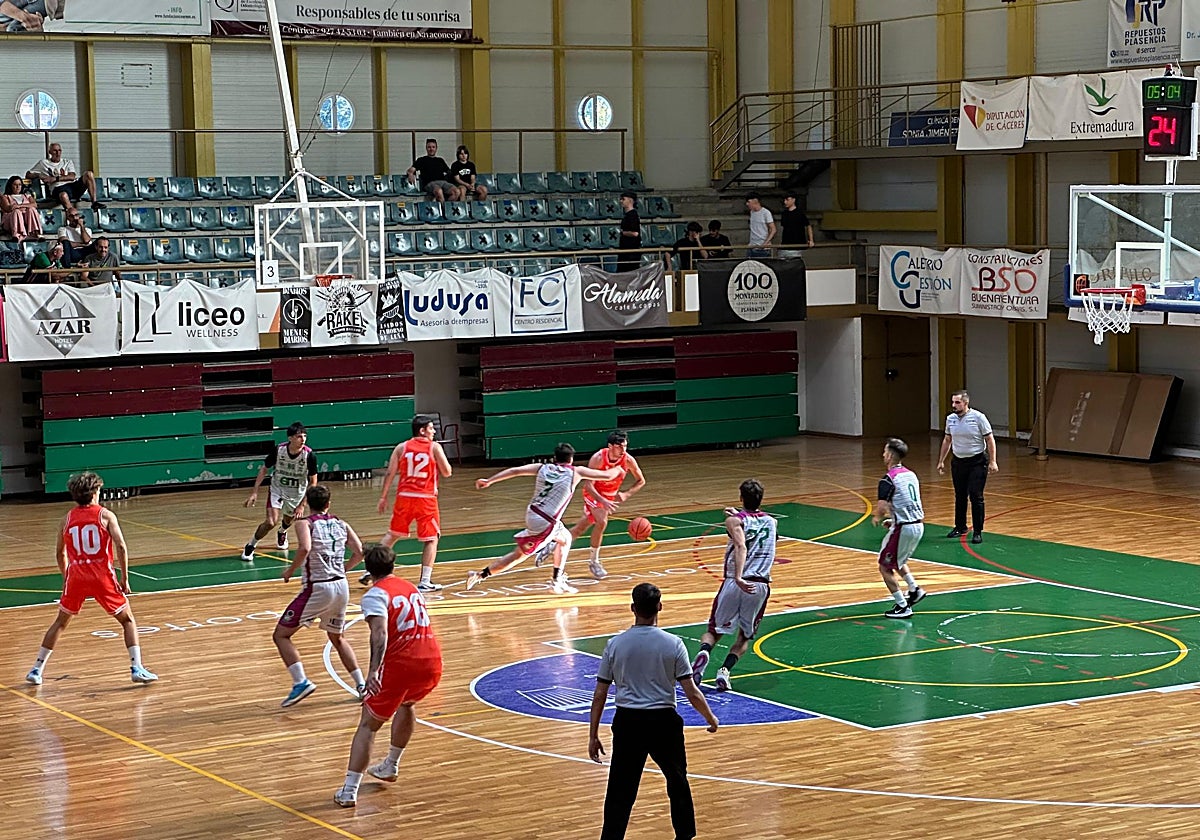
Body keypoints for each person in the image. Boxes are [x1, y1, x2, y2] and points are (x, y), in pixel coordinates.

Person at [588, 583, 719, 840]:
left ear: (633, 608)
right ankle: (684, 836)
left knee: (620, 789)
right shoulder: (673, 644)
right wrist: (710, 717)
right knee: (677, 781)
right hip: (663, 723)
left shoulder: (615, 645)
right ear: (659, 606)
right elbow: (691, 691)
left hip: (628, 723)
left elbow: (600, 693)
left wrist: (593, 735)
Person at [25, 471, 158, 686]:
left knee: (60, 622)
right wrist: (125, 578)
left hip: (76, 576)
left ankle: (36, 669)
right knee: (127, 620)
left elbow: (60, 553)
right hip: (101, 576)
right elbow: (121, 546)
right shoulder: (105, 515)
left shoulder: (66, 519)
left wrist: (67, 575)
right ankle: (137, 667)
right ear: (95, 493)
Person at [334, 545, 443, 808]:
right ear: (393, 565)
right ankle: (390, 765)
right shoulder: (411, 587)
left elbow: (380, 634)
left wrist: (373, 671)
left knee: (368, 725)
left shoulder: (374, 595)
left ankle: (349, 791)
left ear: (368, 570)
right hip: (431, 659)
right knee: (407, 704)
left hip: (401, 665)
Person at [466, 443, 622, 595]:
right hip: (546, 522)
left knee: (566, 538)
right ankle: (481, 575)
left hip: (534, 513)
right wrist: (619, 467)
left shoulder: (542, 467)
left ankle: (557, 579)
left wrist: (490, 480)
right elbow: (607, 476)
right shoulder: (576, 472)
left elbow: (515, 471)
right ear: (571, 459)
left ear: (554, 457)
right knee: (519, 555)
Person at [274, 484, 366, 708]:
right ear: (328, 504)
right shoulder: (341, 524)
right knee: (337, 638)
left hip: (318, 587)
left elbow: (305, 548)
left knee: (281, 635)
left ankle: (301, 681)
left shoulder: (304, 523)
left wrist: (290, 570)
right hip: (341, 586)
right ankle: (362, 685)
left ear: (307, 502)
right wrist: (344, 569)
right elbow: (360, 551)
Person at [690, 478, 775, 692]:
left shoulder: (734, 522)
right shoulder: (772, 522)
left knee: (714, 631)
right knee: (745, 636)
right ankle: (724, 671)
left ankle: (705, 653)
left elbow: (740, 545)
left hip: (734, 582)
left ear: (740, 498)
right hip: (759, 586)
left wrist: (738, 577)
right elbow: (756, 529)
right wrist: (739, 515)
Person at [369, 414, 453, 593]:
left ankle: (371, 570)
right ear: (422, 430)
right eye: (431, 428)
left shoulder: (401, 447)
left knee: (392, 534)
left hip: (404, 497)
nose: (434, 431)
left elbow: (390, 473)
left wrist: (383, 497)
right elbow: (447, 472)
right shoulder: (434, 447)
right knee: (431, 539)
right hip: (425, 498)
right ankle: (425, 581)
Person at [568, 430, 646, 580]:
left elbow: (641, 480)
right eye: (619, 447)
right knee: (602, 522)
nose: (623, 450)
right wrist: (602, 500)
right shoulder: (598, 458)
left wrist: (626, 493)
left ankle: (553, 544)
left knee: (580, 528)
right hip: (593, 493)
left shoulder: (628, 460)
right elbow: (588, 485)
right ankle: (594, 562)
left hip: (608, 497)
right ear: (610, 446)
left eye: (625, 446)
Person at [241, 422, 318, 561]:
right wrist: (255, 492)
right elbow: (264, 469)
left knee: (288, 520)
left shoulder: (309, 455)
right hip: (278, 488)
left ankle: (282, 532)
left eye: (304, 436)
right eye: (299, 436)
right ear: (290, 438)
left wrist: (302, 505)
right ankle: (251, 545)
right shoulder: (279, 450)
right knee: (270, 522)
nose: (303, 439)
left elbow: (313, 482)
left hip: (297, 492)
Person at [871, 438, 927, 619]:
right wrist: (895, 520)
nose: (882, 455)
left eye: (884, 452)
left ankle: (903, 606)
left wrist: (877, 517)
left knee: (884, 567)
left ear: (889, 456)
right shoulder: (911, 474)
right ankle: (914, 589)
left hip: (904, 528)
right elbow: (908, 501)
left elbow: (882, 507)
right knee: (898, 560)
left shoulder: (888, 480)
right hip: (917, 525)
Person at [936, 389, 999, 544]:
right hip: (959, 462)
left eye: (957, 402)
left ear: (966, 403)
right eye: (953, 402)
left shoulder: (978, 418)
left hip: (977, 462)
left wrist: (992, 461)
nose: (954, 405)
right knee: (960, 495)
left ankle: (977, 531)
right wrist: (941, 460)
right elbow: (947, 440)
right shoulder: (950, 419)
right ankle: (960, 526)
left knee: (976, 495)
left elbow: (990, 439)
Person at [26, 141, 103, 211]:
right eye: (55, 151)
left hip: (72, 186)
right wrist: (39, 175)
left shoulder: (67, 162)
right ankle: (72, 213)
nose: (57, 153)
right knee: (63, 195)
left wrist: (55, 179)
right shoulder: (43, 163)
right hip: (58, 188)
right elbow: (28, 174)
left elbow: (72, 176)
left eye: (59, 150)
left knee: (89, 174)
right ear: (50, 152)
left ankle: (94, 202)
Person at [406, 138, 460, 202]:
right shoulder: (421, 160)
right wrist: (410, 174)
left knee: (457, 192)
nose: (431, 149)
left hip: (443, 183)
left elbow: (449, 172)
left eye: (433, 147)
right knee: (439, 191)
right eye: (429, 147)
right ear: (426, 148)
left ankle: (446, 207)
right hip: (429, 184)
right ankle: (443, 210)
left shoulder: (440, 160)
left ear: (436, 148)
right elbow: (410, 170)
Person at [1, 175, 43, 242]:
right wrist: (24, 207)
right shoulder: (5, 197)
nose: (18, 187)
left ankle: (36, 233)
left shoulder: (27, 195)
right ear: (10, 186)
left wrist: (19, 206)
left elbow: (34, 204)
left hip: (26, 219)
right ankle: (16, 235)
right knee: (16, 212)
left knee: (32, 209)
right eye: (15, 184)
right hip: (11, 220)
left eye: (20, 184)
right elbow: (8, 208)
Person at [778, 193, 814, 257]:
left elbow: (808, 225)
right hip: (785, 244)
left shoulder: (800, 213)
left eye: (787, 200)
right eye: (784, 200)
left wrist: (811, 240)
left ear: (793, 200)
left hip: (797, 244)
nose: (785, 202)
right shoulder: (784, 214)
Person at [615, 190, 641, 273]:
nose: (621, 201)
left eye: (623, 199)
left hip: (630, 253)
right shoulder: (628, 215)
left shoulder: (632, 215)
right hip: (626, 252)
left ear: (630, 200)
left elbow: (635, 233)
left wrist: (623, 233)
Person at [745, 193, 775, 258]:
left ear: (755, 201)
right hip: (752, 246)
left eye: (749, 202)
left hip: (763, 247)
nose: (747, 204)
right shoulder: (752, 212)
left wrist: (765, 243)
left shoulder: (766, 213)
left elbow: (773, 229)